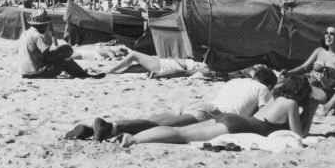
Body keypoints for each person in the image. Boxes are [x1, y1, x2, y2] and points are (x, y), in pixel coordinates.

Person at [66, 66, 279, 141]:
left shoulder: (236, 81)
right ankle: (113, 127)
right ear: (268, 84)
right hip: (211, 114)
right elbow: (261, 118)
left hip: (201, 104)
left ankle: (89, 130)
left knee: (152, 120)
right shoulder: (263, 90)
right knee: (157, 128)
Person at [120, 74, 317, 146]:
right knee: (181, 135)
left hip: (234, 118)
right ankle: (133, 139)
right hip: (238, 125)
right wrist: (311, 108)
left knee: (181, 132)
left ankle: (135, 136)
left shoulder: (277, 99)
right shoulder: (290, 104)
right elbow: (298, 134)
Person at [19, 9, 103, 80]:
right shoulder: (37, 36)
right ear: (42, 25)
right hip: (36, 72)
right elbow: (47, 57)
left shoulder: (25, 34)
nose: (47, 27)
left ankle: (81, 73)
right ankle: (83, 75)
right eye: (46, 25)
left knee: (63, 58)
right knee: (65, 62)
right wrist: (61, 54)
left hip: (25, 71)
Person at [283, 24, 335, 100]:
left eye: (332, 34)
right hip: (308, 81)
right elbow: (304, 67)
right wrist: (289, 72)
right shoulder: (319, 51)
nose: (328, 36)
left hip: (322, 89)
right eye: (326, 33)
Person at [107, 47, 208, 77]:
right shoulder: (204, 65)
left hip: (163, 66)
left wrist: (159, 75)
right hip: (162, 63)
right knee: (135, 67)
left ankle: (111, 70)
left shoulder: (204, 69)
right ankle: (115, 73)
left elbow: (182, 73)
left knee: (134, 55)